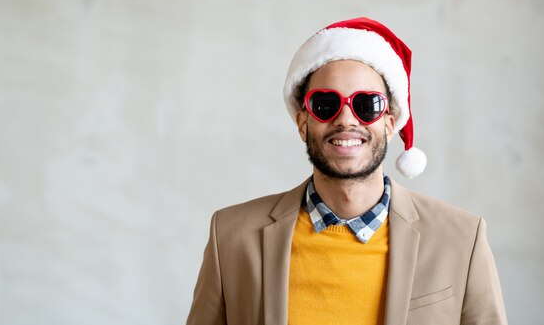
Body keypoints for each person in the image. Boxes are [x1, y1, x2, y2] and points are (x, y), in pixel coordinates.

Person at [186, 17, 508, 325]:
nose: (346, 119)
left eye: (366, 105)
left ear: (390, 122)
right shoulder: (230, 236)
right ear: (303, 122)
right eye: (326, 104)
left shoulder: (462, 239)